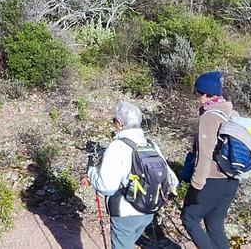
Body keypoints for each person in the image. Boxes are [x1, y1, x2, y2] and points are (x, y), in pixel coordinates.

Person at [84, 100, 177, 248]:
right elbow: (173, 180)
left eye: (114, 121)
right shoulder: (151, 144)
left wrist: (91, 172)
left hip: (125, 211)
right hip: (149, 211)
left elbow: (107, 187)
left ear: (120, 123)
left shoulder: (117, 146)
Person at [182, 71, 239, 249]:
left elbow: (204, 156)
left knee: (189, 218)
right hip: (232, 180)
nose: (198, 98)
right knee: (215, 226)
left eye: (198, 94)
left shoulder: (209, 117)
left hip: (212, 180)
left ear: (205, 94)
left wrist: (196, 185)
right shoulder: (233, 113)